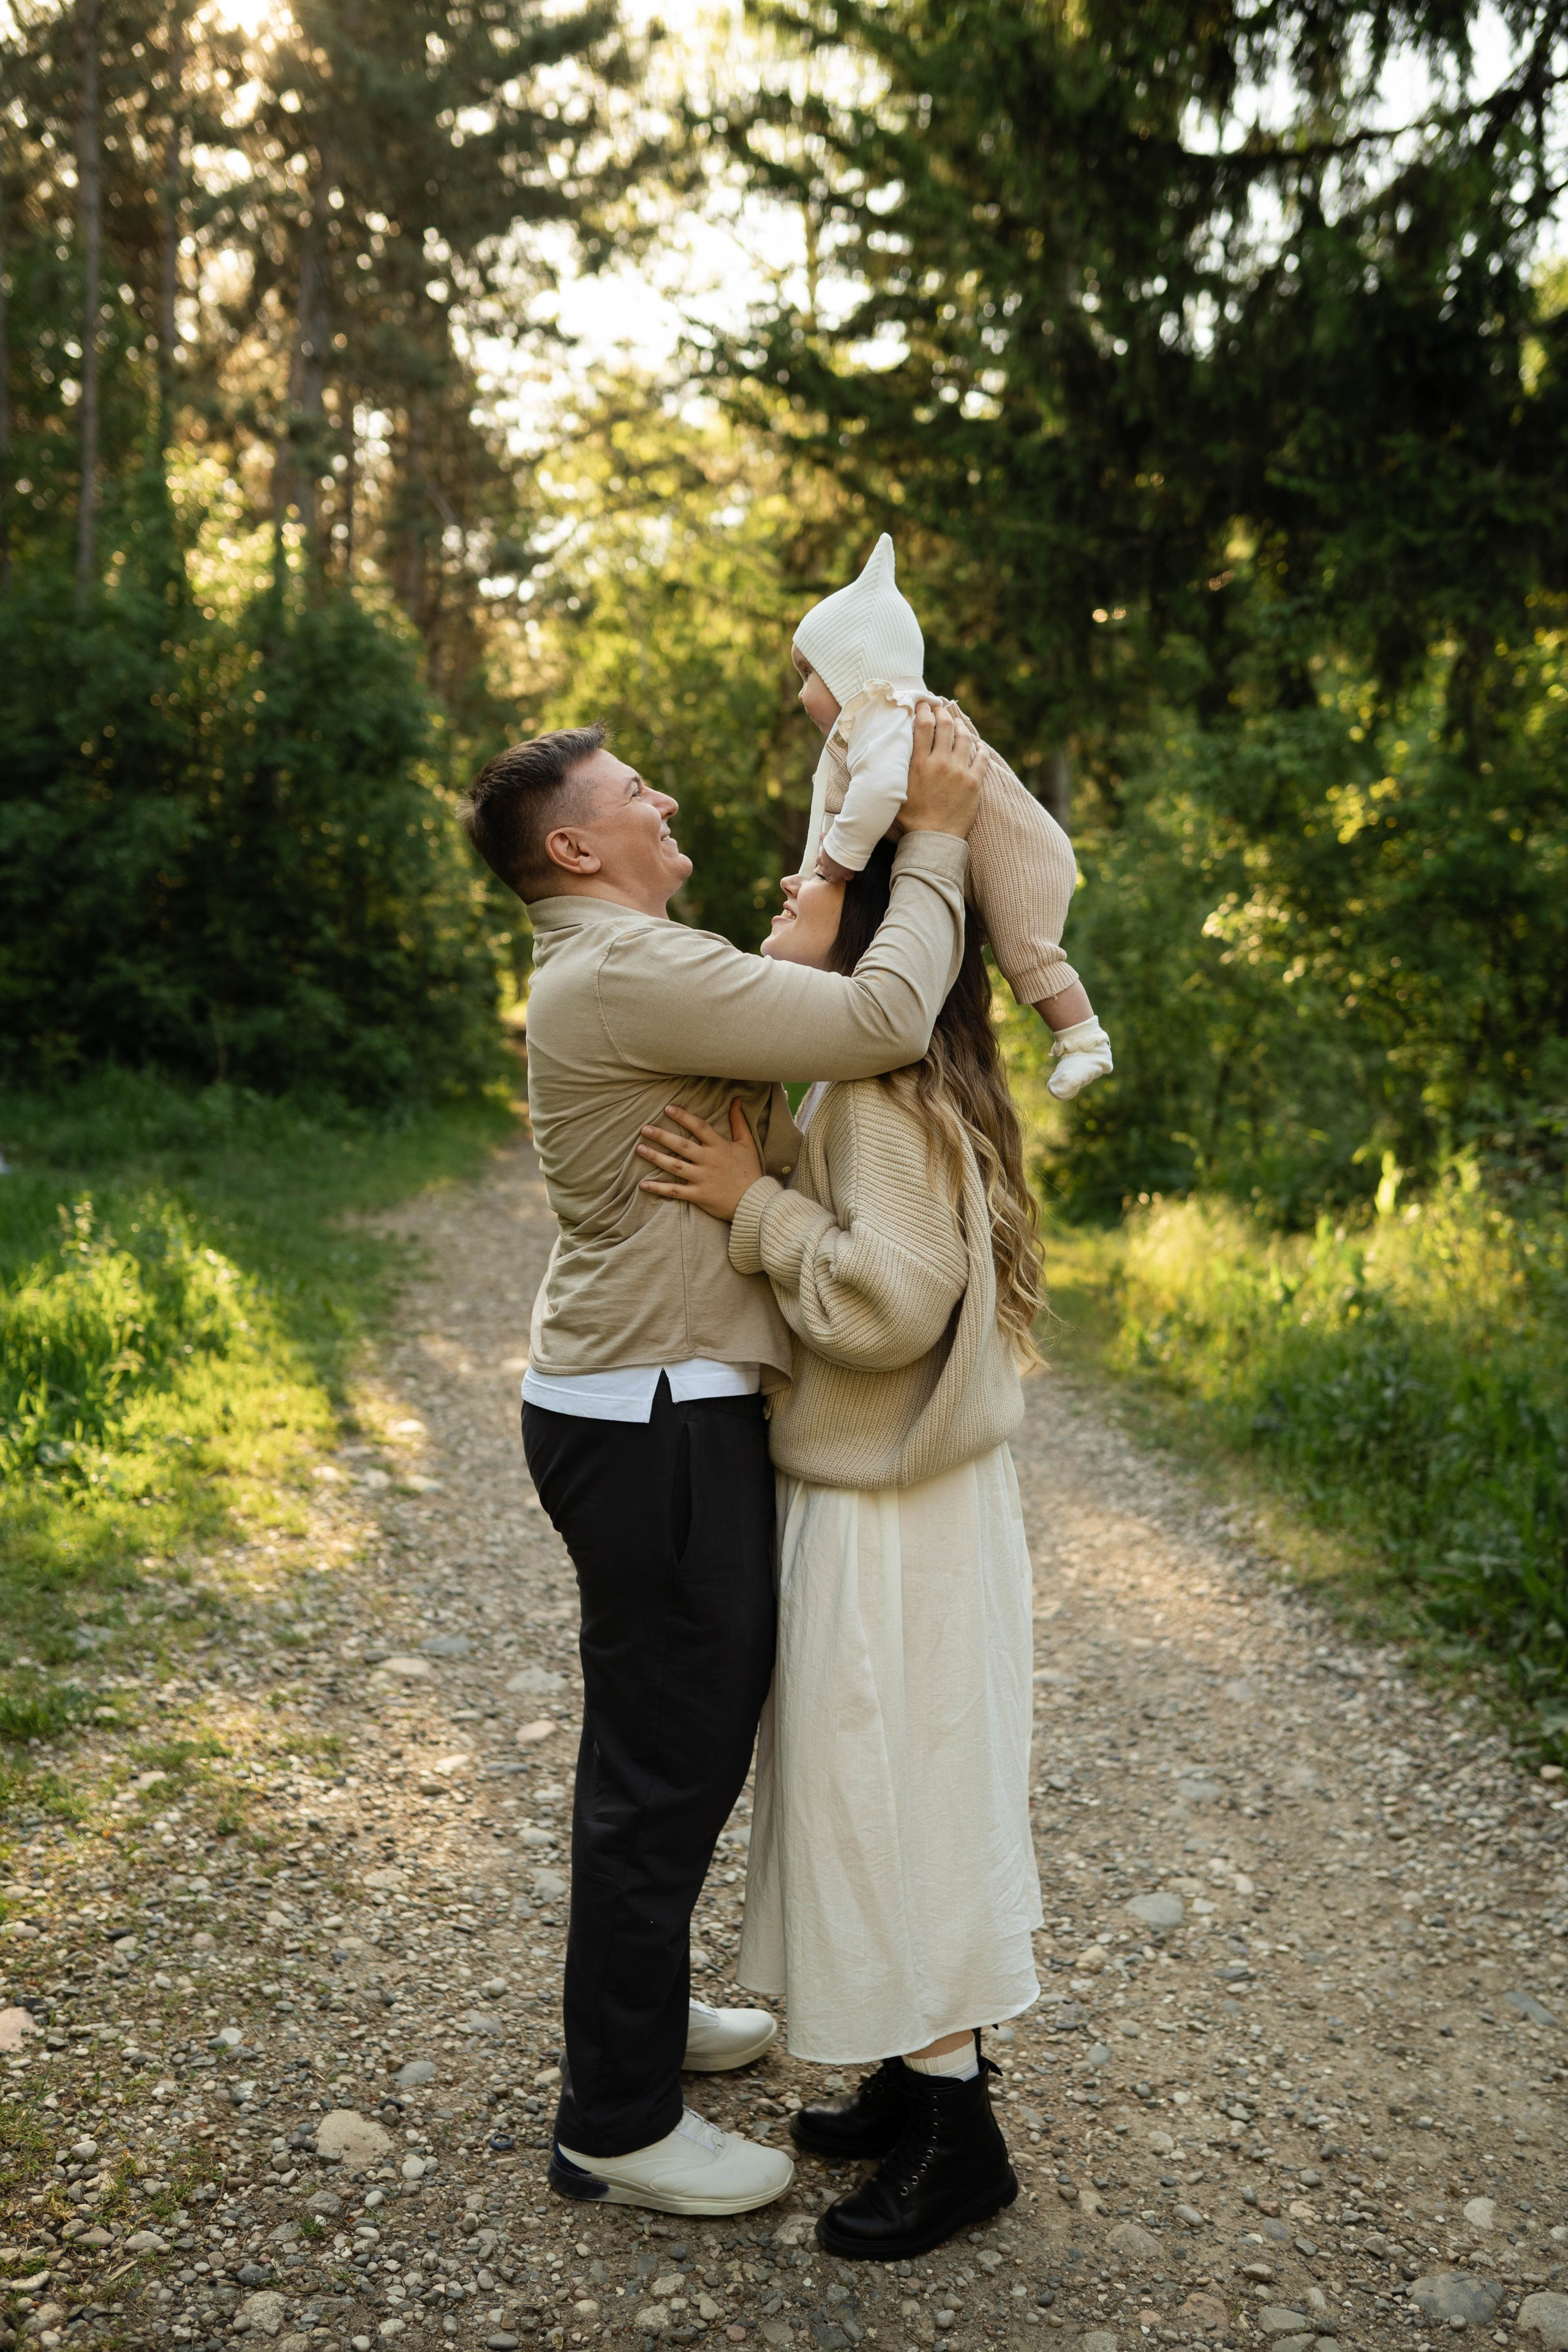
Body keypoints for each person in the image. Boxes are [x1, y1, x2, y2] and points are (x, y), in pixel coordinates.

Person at [456, 707, 982, 2219]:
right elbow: (877, 1020)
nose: (663, 794)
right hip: (654, 1413)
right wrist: (936, 842)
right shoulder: (622, 967)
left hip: (636, 1407)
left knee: (648, 1746)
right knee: (661, 1762)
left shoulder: (624, 968)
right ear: (573, 847)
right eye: (633, 792)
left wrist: (832, 866)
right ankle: (614, 2117)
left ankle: (636, 2017)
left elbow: (786, 989)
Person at [634, 835, 1044, 2261]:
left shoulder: (871, 1088)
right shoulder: (882, 1072)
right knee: (893, 1783)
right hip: (908, 1494)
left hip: (892, 1511)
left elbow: (887, 1300)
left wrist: (749, 1204)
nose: (776, 896)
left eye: (806, 884)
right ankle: (911, 2072)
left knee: (893, 1796)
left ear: (868, 925)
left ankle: (960, 2136)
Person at [791, 531, 1114, 1102]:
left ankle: (1084, 1039)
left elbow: (878, 793)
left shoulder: (892, 718)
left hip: (1022, 858)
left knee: (1029, 953)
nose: (800, 696)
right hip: (982, 861)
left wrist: (837, 860)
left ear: (852, 672)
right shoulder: (872, 726)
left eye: (807, 676)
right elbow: (838, 797)